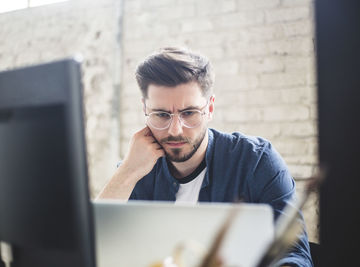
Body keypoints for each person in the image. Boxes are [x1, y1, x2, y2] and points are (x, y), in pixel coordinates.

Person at [98, 47, 313, 267]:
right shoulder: (136, 169)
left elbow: (295, 256)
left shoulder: (256, 161)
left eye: (188, 113)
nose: (175, 130)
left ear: (209, 108)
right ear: (145, 109)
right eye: (161, 115)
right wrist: (126, 173)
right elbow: (94, 249)